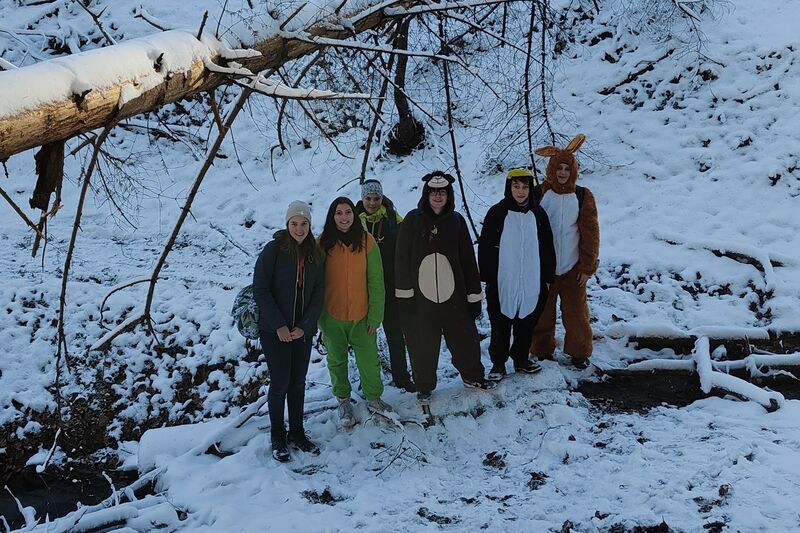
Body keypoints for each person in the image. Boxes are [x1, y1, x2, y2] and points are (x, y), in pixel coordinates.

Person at [395, 170, 496, 405]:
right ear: (426, 194)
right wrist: (405, 295)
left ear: (449, 195)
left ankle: (473, 377)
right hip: (422, 299)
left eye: (442, 192)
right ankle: (424, 386)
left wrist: (473, 296)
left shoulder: (457, 222)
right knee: (422, 344)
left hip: (455, 297)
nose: (438, 196)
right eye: (433, 192)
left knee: (465, 340)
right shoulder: (413, 220)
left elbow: (468, 260)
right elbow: (401, 259)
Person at [252, 200, 324, 462]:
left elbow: (318, 294)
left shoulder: (315, 253)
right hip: (274, 331)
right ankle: (278, 436)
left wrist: (304, 327)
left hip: (301, 332)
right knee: (280, 383)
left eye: (304, 223)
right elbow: (261, 289)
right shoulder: (273, 250)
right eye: (294, 223)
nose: (299, 229)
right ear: (287, 224)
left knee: (298, 383)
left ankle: (297, 432)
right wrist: (279, 325)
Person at [318, 196, 394, 428]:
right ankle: (343, 401)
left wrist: (375, 316)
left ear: (354, 214)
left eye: (348, 212)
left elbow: (376, 280)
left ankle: (374, 398)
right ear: (332, 216)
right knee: (336, 362)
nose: (344, 217)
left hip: (362, 317)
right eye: (339, 213)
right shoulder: (322, 243)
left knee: (369, 362)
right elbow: (314, 282)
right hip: (332, 317)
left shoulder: (366, 241)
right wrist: (319, 318)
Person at [529, 134, 600, 369]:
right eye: (558, 168)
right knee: (542, 313)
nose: (562, 173)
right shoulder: (539, 194)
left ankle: (579, 352)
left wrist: (587, 267)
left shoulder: (582, 195)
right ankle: (541, 349)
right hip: (545, 268)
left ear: (573, 171)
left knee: (576, 314)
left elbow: (590, 233)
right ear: (551, 168)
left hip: (572, 267)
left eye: (566, 168)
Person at [478, 168, 556, 381]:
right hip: (503, 279)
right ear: (509, 187)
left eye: (525, 187)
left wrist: (547, 278)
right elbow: (485, 246)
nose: (521, 191)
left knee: (527, 322)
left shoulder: (538, 214)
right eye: (516, 186)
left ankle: (521, 359)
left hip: (531, 278)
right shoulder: (497, 213)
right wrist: (488, 278)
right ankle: (498, 363)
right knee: (500, 323)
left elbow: (548, 247)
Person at [354, 179, 415, 392]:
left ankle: (402, 377)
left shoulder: (394, 221)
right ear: (362, 199)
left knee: (395, 335)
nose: (372, 203)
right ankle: (368, 379)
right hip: (362, 289)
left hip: (390, 287)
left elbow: (406, 251)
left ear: (382, 198)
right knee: (364, 339)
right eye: (368, 198)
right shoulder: (352, 222)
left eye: (376, 198)